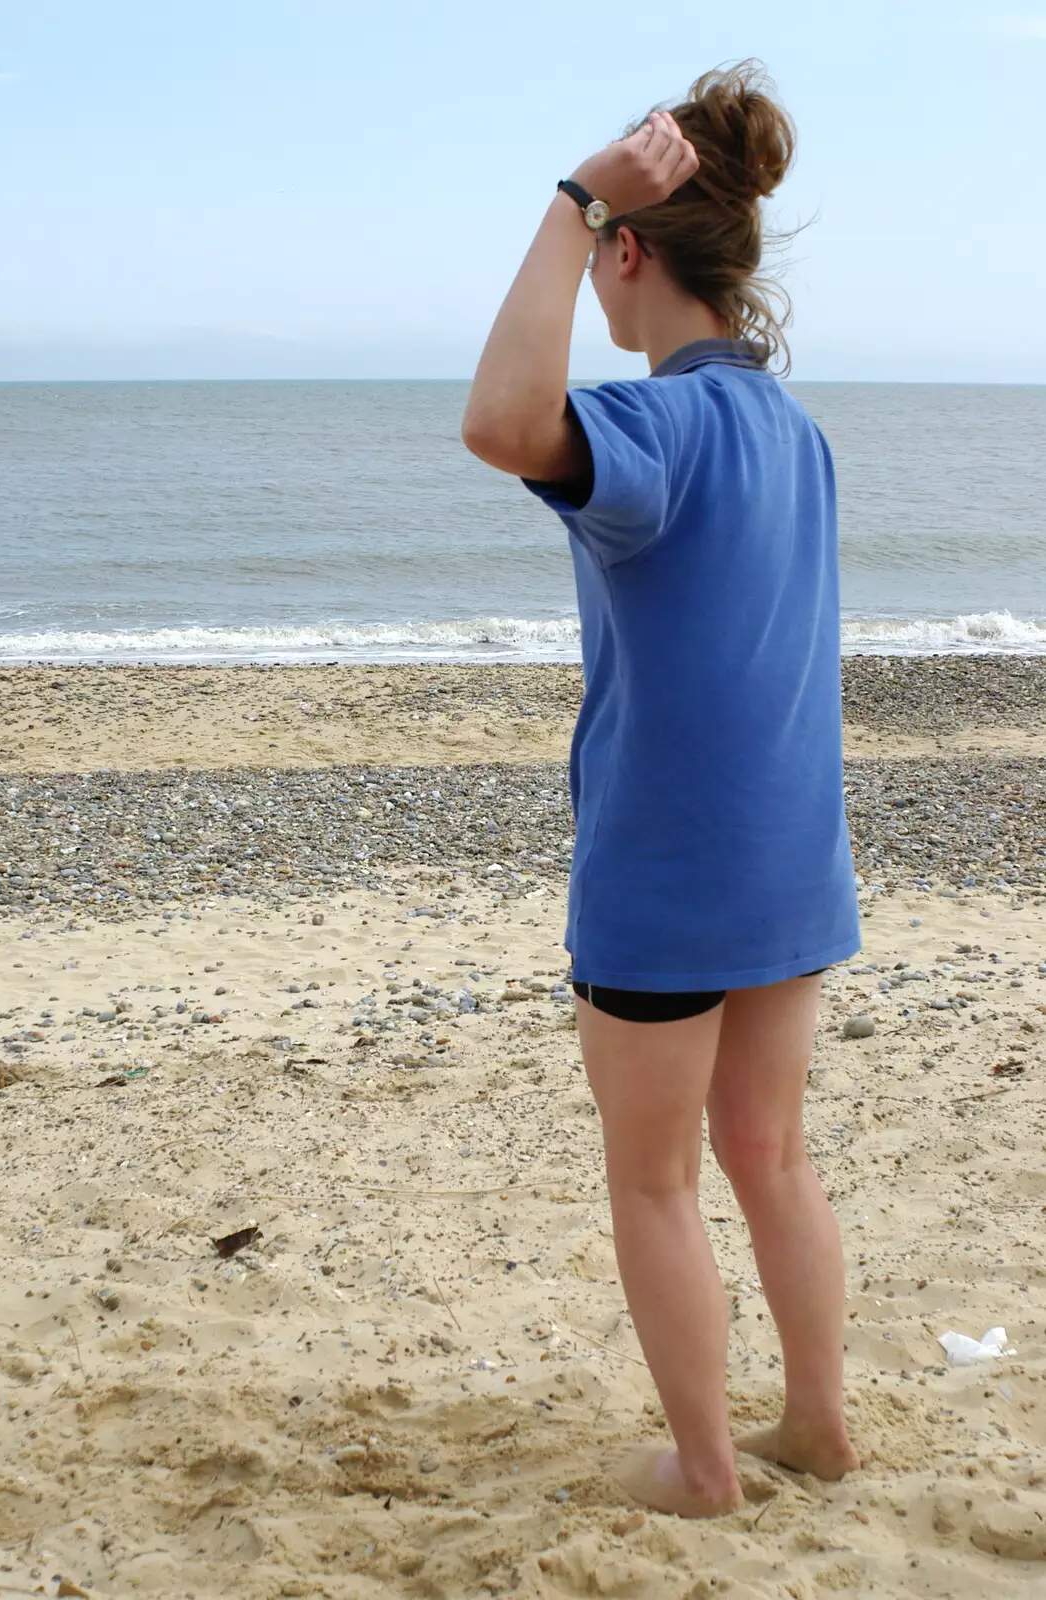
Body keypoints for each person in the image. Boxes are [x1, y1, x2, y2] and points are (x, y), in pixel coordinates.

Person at [461, 61, 861, 1519]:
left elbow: (502, 422)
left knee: (657, 1183)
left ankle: (704, 1473)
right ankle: (815, 1425)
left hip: (664, 876)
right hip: (790, 866)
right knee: (768, 1154)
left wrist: (567, 204)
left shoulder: (652, 431)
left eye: (606, 258)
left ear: (631, 252)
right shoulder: (789, 433)